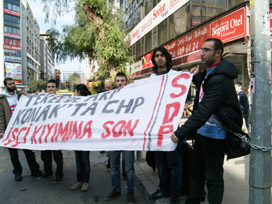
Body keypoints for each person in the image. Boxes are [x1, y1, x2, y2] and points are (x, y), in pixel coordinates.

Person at [171, 38, 243, 204]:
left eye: (206, 50)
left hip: (215, 137)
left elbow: (203, 111)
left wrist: (180, 133)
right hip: (202, 133)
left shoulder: (221, 79)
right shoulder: (208, 73)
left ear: (218, 53)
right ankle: (193, 200)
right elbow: (205, 88)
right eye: (201, 49)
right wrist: (196, 78)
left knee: (213, 177)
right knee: (195, 171)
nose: (201, 53)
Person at [148, 47, 182, 204]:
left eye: (162, 56)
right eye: (157, 56)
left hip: (172, 126)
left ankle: (175, 193)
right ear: (154, 59)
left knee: (174, 162)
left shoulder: (176, 76)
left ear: (167, 58)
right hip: (157, 127)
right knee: (160, 161)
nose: (159, 58)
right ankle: (163, 189)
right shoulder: (151, 78)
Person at [0, 78, 43, 181]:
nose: (12, 85)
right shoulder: (2, 99)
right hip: (10, 131)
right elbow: (1, 116)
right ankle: (17, 173)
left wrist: (36, 95)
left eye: (13, 83)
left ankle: (35, 171)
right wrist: (1, 130)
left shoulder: (21, 95)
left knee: (29, 152)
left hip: (23, 129)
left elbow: (32, 103)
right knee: (13, 154)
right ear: (5, 86)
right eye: (10, 84)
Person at [104, 72, 135, 204]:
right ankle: (116, 189)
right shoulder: (108, 97)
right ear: (115, 82)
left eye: (122, 80)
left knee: (129, 168)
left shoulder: (133, 96)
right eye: (118, 81)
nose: (120, 83)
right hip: (113, 138)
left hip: (128, 137)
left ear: (126, 82)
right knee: (115, 167)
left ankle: (130, 192)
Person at [38, 79, 64, 184]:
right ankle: (48, 172)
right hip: (44, 133)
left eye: (52, 87)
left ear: (56, 89)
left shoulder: (61, 99)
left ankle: (59, 175)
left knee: (57, 155)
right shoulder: (42, 99)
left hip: (56, 133)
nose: (50, 89)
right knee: (45, 155)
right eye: (48, 87)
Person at [70, 84, 91, 192]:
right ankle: (79, 181)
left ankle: (85, 182)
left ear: (78, 92)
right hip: (76, 137)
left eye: (75, 91)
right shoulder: (73, 102)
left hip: (86, 137)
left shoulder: (89, 101)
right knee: (78, 159)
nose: (74, 93)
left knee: (84, 159)